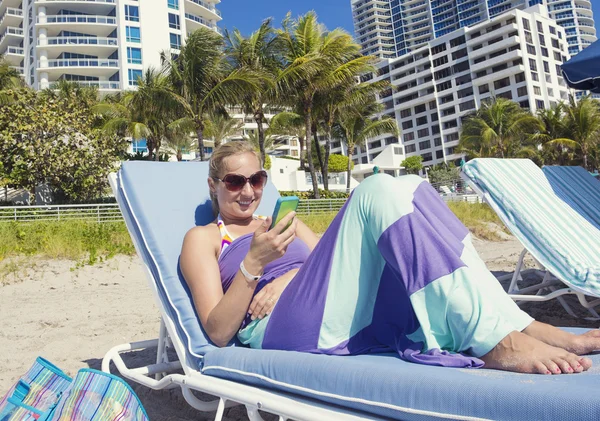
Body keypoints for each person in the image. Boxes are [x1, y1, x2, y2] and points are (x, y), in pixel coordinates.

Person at [180, 141, 600, 374]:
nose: (248, 190)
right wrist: (253, 265)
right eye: (235, 181)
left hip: (320, 305)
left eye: (256, 178)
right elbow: (217, 331)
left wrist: (289, 279)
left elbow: (335, 261)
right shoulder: (202, 238)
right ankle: (498, 341)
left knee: (413, 188)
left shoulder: (280, 220)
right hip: (278, 327)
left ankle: (523, 324)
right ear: (214, 185)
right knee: (375, 190)